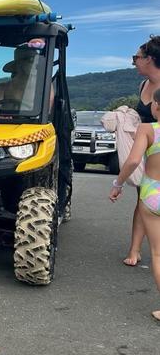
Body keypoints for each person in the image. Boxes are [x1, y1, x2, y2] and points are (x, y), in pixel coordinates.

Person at [109, 87, 160, 321]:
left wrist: (118, 185)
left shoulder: (147, 128)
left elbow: (132, 161)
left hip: (152, 193)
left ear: (156, 106)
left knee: (158, 254)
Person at [125, 35, 160, 266]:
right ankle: (135, 250)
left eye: (136, 57)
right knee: (142, 200)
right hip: (147, 148)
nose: (134, 62)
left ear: (150, 59)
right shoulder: (142, 85)